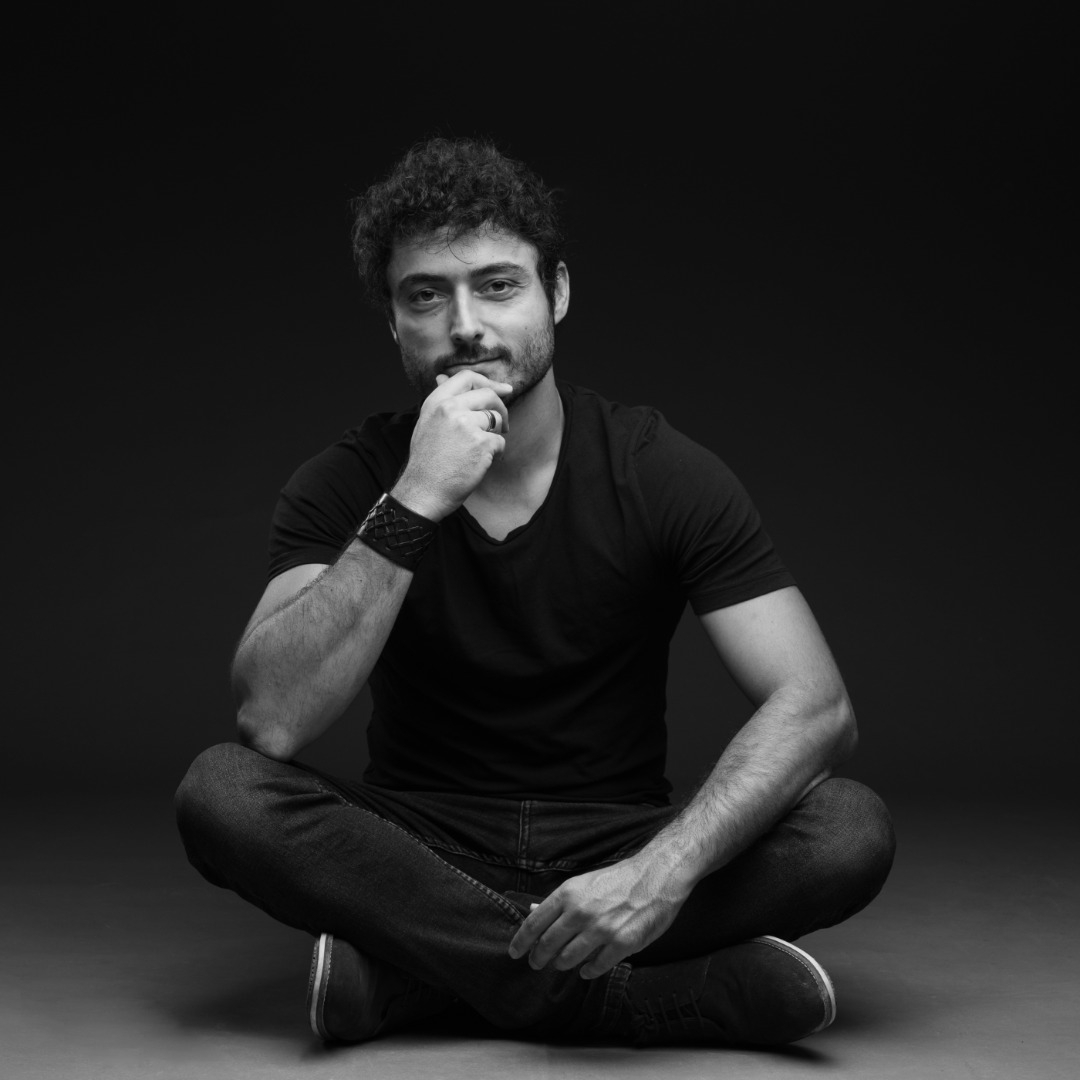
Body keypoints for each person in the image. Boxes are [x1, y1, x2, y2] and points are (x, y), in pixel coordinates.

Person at [175, 136, 895, 1050]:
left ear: (556, 292)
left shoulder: (660, 471)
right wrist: (417, 497)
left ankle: (423, 976)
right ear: (393, 322)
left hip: (617, 842)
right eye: (425, 295)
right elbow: (271, 723)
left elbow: (818, 707)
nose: (465, 325)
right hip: (420, 849)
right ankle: (632, 997)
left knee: (847, 827)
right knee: (222, 793)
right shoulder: (347, 479)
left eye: (498, 285)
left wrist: (658, 874)